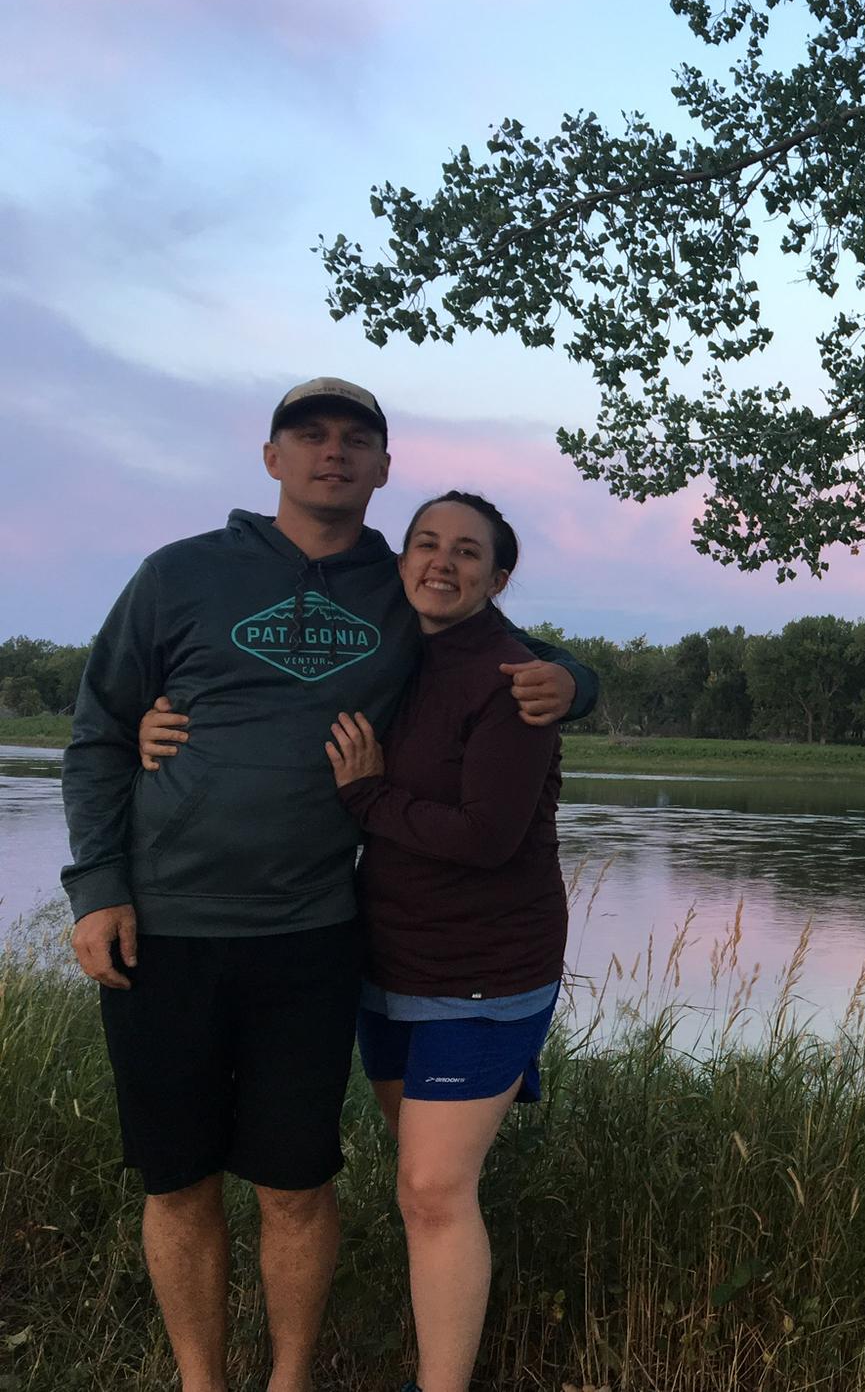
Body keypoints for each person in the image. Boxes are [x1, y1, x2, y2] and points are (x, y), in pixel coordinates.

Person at [61, 377, 597, 1392]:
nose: (333, 453)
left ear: (383, 470)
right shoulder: (177, 577)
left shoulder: (394, 589)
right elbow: (97, 732)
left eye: (358, 440)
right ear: (271, 459)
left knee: (296, 1186)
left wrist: (579, 680)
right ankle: (200, 1382)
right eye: (308, 436)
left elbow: (497, 638)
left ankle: (290, 1380)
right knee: (178, 1185)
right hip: (163, 928)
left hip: (313, 935)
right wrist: (98, 888)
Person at [324, 490, 567, 1392]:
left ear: (498, 576)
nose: (442, 561)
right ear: (401, 561)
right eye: (426, 543)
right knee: (425, 1185)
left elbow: (486, 837)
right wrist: (161, 728)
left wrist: (370, 800)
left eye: (468, 552)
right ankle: (436, 1340)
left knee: (431, 1190)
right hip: (386, 966)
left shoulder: (515, 679)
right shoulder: (385, 655)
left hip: (485, 973)